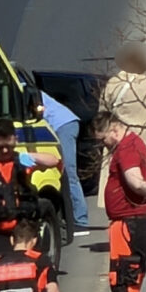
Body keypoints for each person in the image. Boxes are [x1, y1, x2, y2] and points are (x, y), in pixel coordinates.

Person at [0, 118, 60, 259]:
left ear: (15, 140)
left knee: (31, 269)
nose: (5, 150)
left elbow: (54, 161)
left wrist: (30, 156)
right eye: (0, 146)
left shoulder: (23, 162)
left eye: (9, 145)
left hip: (23, 232)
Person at [94, 111, 146, 292]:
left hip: (130, 223)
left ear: (114, 130)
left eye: (103, 139)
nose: (104, 145)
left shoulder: (127, 149)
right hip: (131, 220)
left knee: (126, 274)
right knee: (130, 271)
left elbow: (134, 181)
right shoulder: (130, 144)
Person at [98, 41, 146, 207]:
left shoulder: (113, 83)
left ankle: (121, 203)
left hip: (120, 133)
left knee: (119, 172)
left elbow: (103, 110)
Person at [39, 91, 89, 230]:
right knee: (61, 171)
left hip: (64, 125)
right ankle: (70, 217)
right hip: (62, 124)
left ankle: (81, 220)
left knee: (69, 173)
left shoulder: (23, 89)